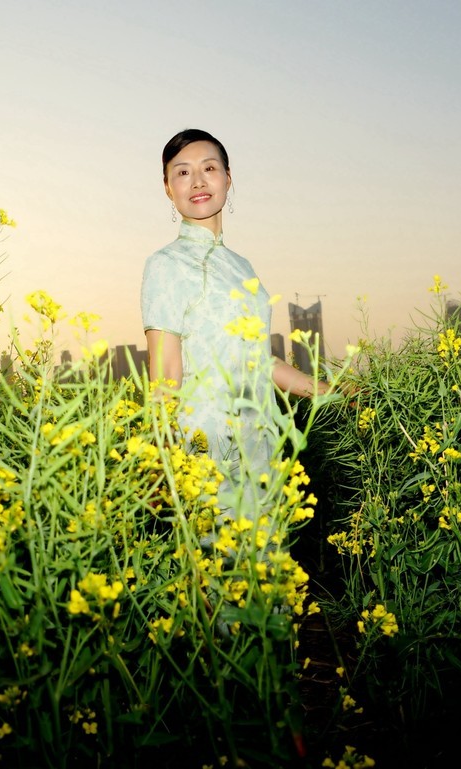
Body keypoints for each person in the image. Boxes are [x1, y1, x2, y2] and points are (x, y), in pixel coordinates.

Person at [140, 129, 329, 523]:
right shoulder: (166, 264)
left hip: (260, 444)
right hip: (206, 452)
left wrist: (332, 392)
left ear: (228, 177)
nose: (197, 181)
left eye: (209, 168)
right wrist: (162, 461)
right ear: (167, 188)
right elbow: (166, 373)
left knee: (266, 574)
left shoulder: (242, 267)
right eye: (182, 172)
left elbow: (258, 360)